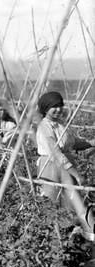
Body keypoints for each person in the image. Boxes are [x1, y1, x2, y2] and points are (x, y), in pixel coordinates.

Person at [35, 91, 95, 240]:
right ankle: (52, 239)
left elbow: (73, 143)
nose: (58, 109)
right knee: (50, 203)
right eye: (54, 106)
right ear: (45, 108)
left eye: (60, 105)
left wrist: (91, 143)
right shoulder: (44, 127)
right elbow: (56, 154)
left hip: (66, 166)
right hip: (50, 166)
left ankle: (83, 237)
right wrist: (76, 174)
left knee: (75, 201)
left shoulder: (61, 125)